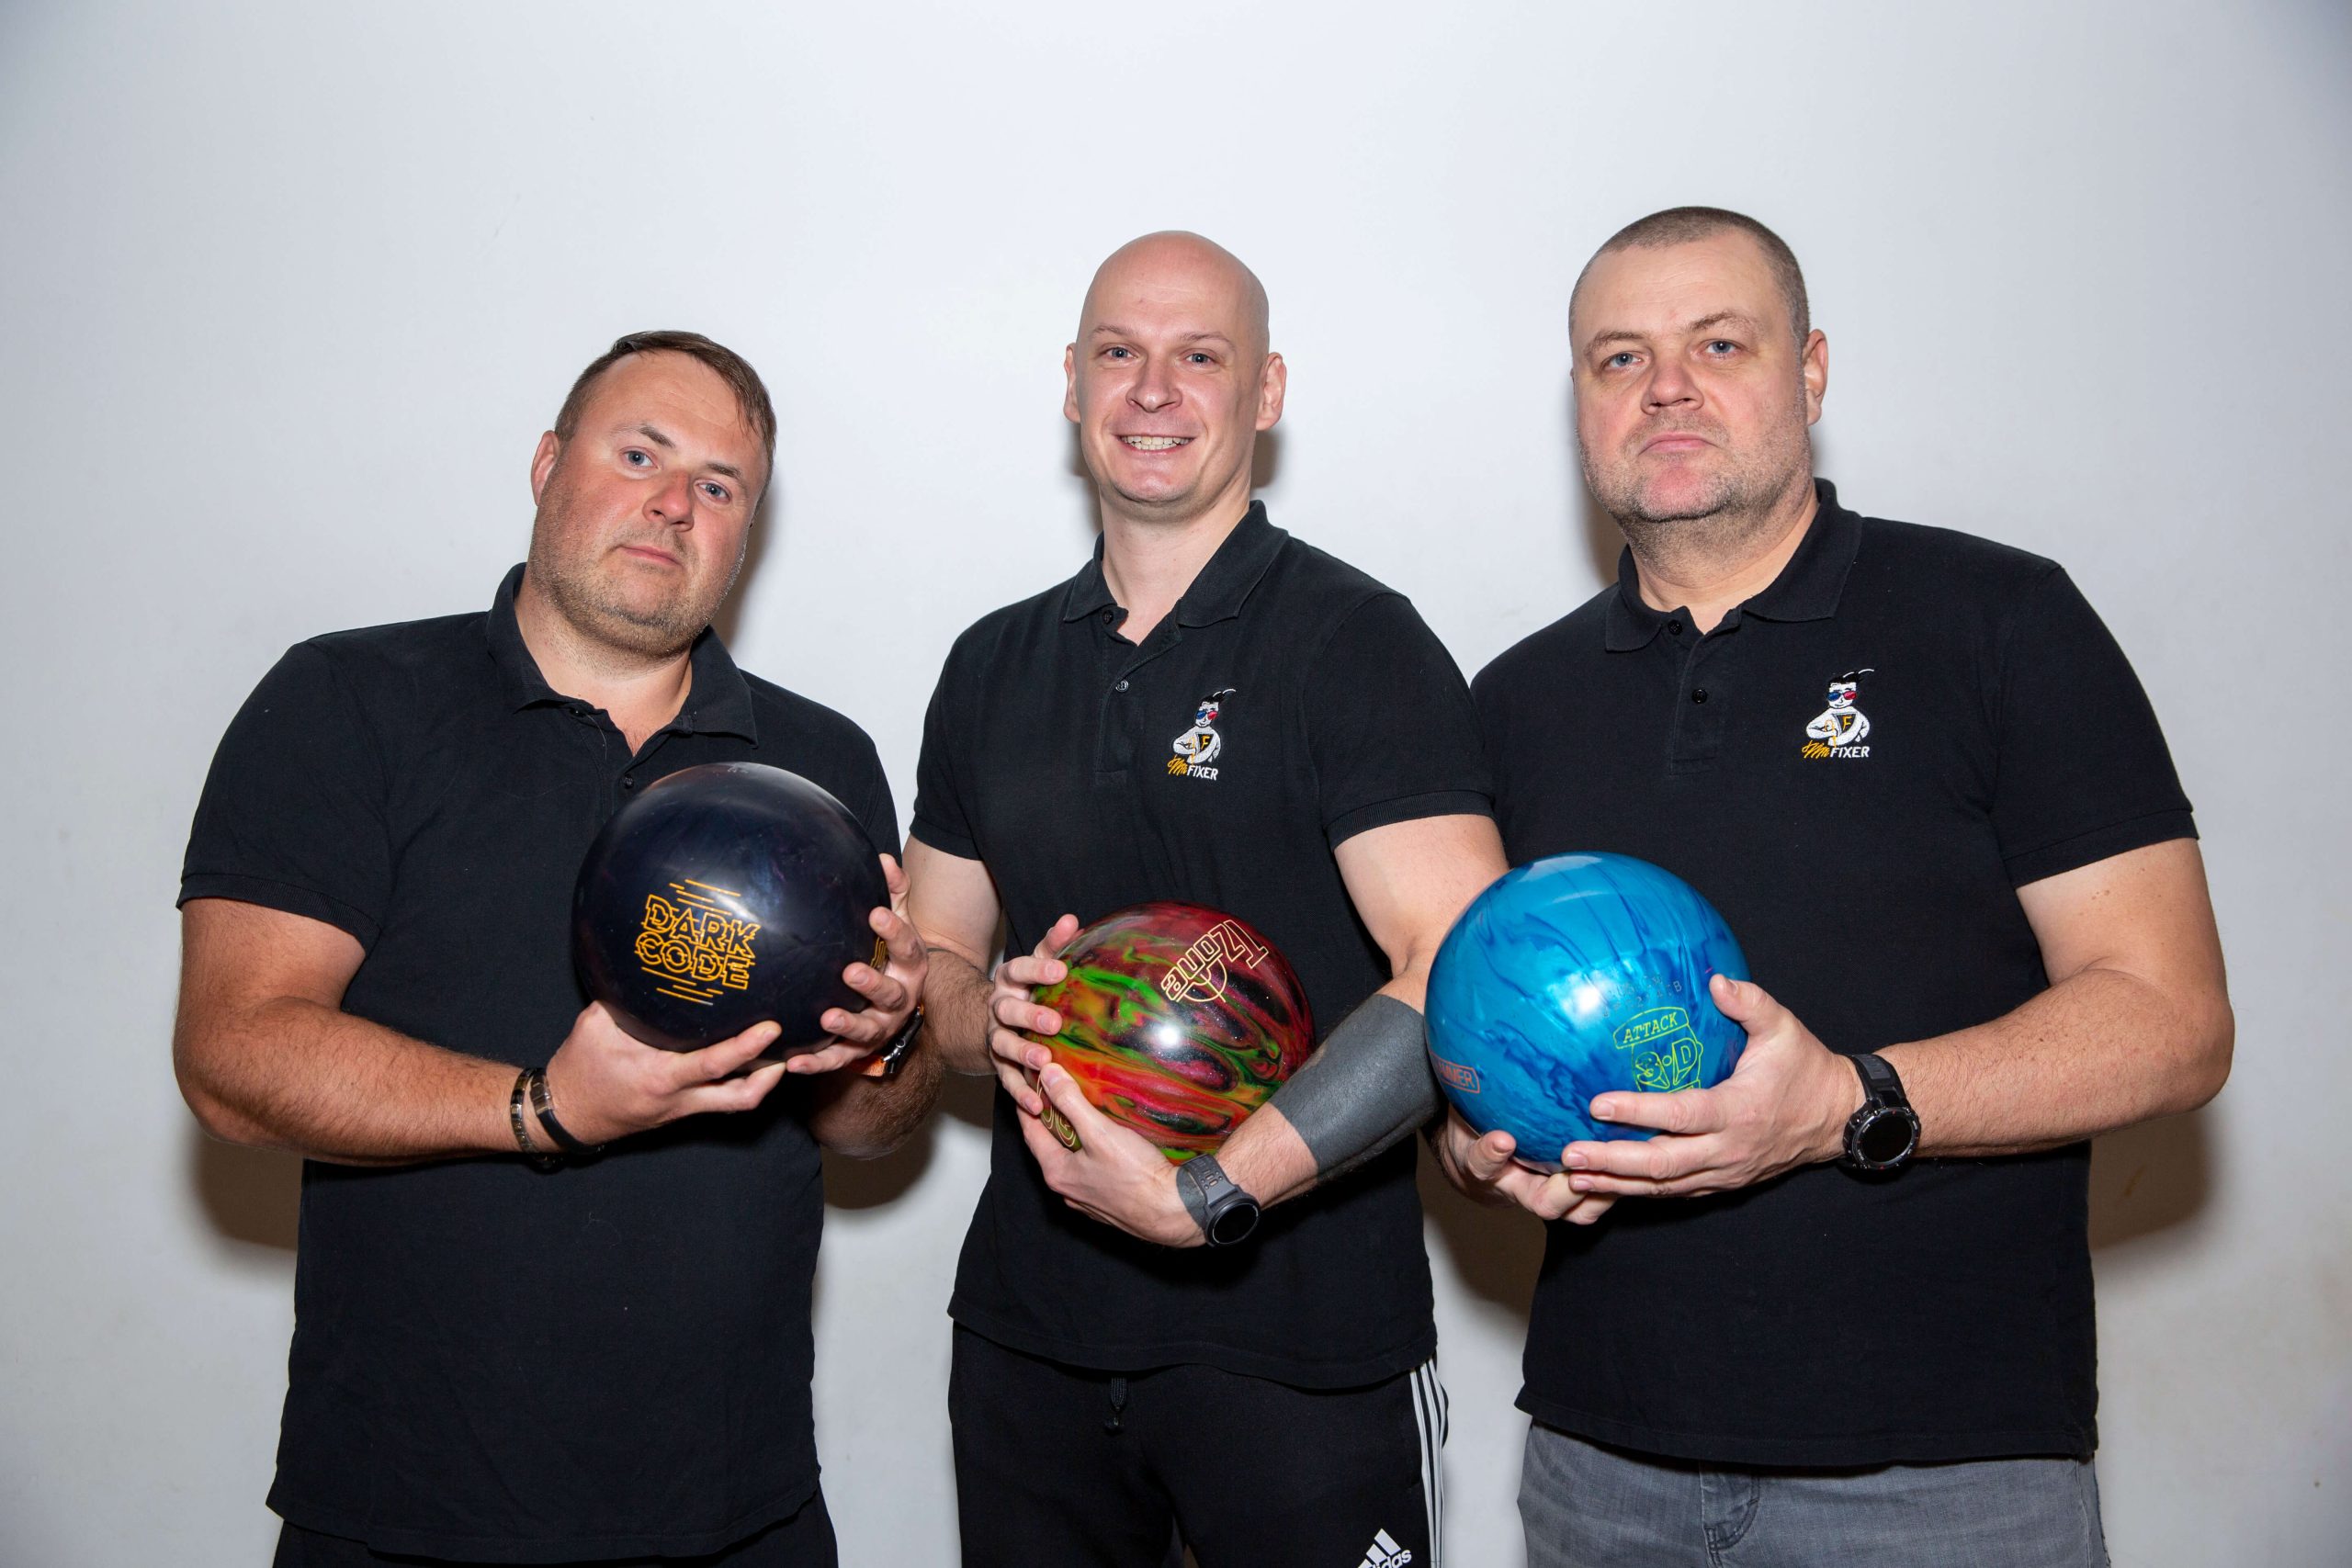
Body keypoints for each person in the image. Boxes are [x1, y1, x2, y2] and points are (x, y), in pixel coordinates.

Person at [1436, 208, 2234, 1566]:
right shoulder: (1512, 701)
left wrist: (1842, 1105)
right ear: (1579, 402)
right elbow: (1466, 1034)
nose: (1666, 387)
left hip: (1945, 1480)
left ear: (1809, 373)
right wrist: (1476, 1148)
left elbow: (2174, 1021)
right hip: (1597, 1468)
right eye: (1620, 357)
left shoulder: (2001, 622)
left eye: (1719, 344)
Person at [174, 332, 938, 1567]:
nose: (674, 503)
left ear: (746, 534)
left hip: (739, 1511)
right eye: (640, 455)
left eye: (719, 485)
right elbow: (232, 1055)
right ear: (546, 464)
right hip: (408, 1509)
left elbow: (868, 1128)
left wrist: (886, 1039)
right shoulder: (348, 702)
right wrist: (546, 1108)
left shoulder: (818, 767)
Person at [902, 232, 1505, 1567]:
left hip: (1300, 1347)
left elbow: (1456, 966)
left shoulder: (1357, 642)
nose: (1154, 390)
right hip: (1032, 1340)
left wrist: (1216, 1192)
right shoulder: (990, 665)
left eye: (1200, 356)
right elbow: (933, 954)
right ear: (1072, 383)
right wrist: (987, 1017)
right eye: (1119, 352)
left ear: (1266, 392)